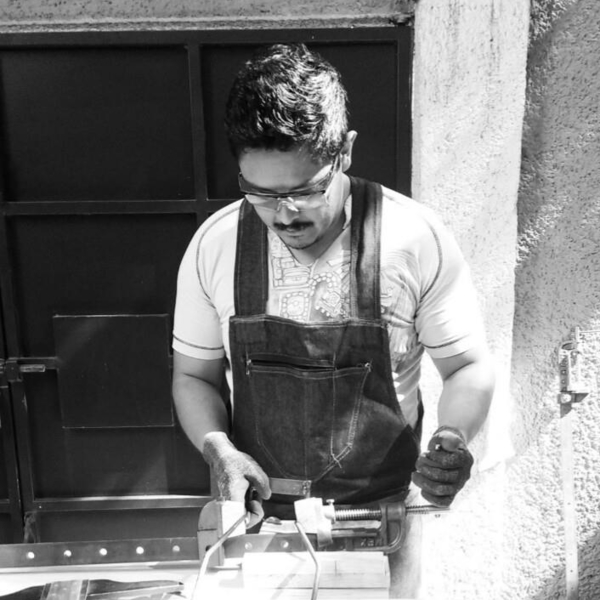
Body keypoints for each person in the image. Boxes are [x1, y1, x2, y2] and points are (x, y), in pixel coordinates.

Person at [172, 43, 495, 598]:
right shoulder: (216, 244)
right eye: (261, 193)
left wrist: (452, 437)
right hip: (258, 524)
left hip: (382, 525)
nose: (284, 214)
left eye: (305, 190)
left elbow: (467, 366)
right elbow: (192, 376)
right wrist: (217, 449)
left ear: (344, 152)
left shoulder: (413, 239)